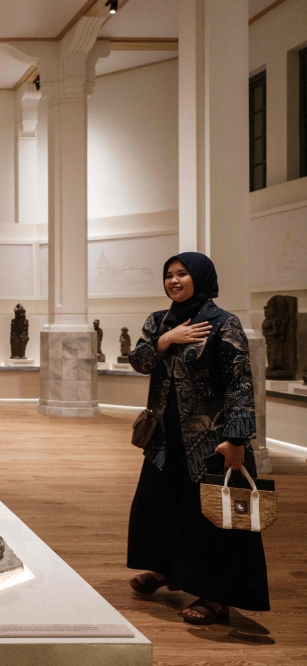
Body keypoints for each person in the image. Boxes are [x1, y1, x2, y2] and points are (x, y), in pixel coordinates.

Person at [127, 252, 268, 625]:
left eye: (182, 274)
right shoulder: (159, 322)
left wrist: (236, 438)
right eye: (169, 275)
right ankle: (164, 569)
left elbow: (240, 384)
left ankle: (214, 594)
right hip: (163, 437)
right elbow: (138, 361)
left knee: (208, 516)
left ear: (201, 278)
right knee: (161, 504)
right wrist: (166, 340)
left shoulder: (223, 324)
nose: (174, 281)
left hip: (209, 441)